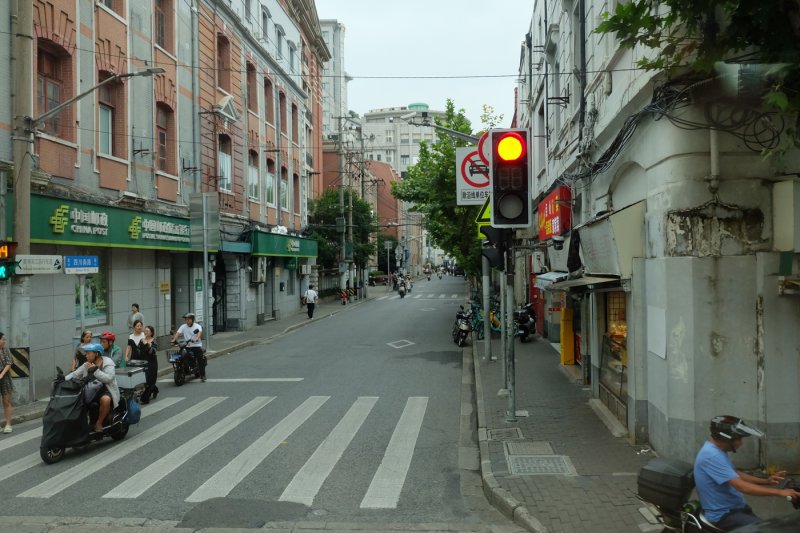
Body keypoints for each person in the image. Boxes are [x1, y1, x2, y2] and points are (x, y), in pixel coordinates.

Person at [694, 415, 800, 530]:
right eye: (739, 439)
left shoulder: (717, 450)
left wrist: (766, 481)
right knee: (767, 530)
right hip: (724, 515)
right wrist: (780, 492)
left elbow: (735, 473)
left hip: (736, 508)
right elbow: (742, 487)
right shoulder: (712, 456)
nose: (741, 443)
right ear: (726, 438)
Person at [65, 342, 119, 433]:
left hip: (106, 389)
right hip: (90, 389)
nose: (86, 355)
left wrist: (96, 371)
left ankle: (99, 423)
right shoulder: (87, 364)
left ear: (96, 354)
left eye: (88, 353)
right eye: (86, 353)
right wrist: (63, 379)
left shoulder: (108, 363)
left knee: (105, 400)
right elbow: (75, 374)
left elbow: (109, 379)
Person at [171, 313, 205, 382]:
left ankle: (203, 375)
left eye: (188, 319)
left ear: (192, 320)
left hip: (196, 345)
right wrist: (173, 340)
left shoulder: (197, 326)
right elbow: (178, 333)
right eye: (186, 319)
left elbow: (199, 333)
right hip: (187, 346)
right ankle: (183, 368)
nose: (187, 321)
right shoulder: (183, 326)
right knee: (180, 354)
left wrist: (197, 338)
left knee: (200, 358)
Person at [140, 325, 159, 403]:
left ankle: (145, 398)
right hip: (144, 362)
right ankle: (155, 390)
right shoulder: (141, 340)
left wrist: (149, 347)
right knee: (146, 380)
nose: (145, 332)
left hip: (152, 362)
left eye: (147, 331)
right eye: (145, 331)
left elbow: (153, 351)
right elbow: (139, 351)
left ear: (151, 333)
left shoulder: (154, 341)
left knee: (151, 380)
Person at [0, 332, 14, 433]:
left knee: (6, 402)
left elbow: (9, 363)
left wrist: (1, 374)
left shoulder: (6, 350)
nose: (4, 341)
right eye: (2, 339)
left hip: (5, 379)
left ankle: (8, 424)